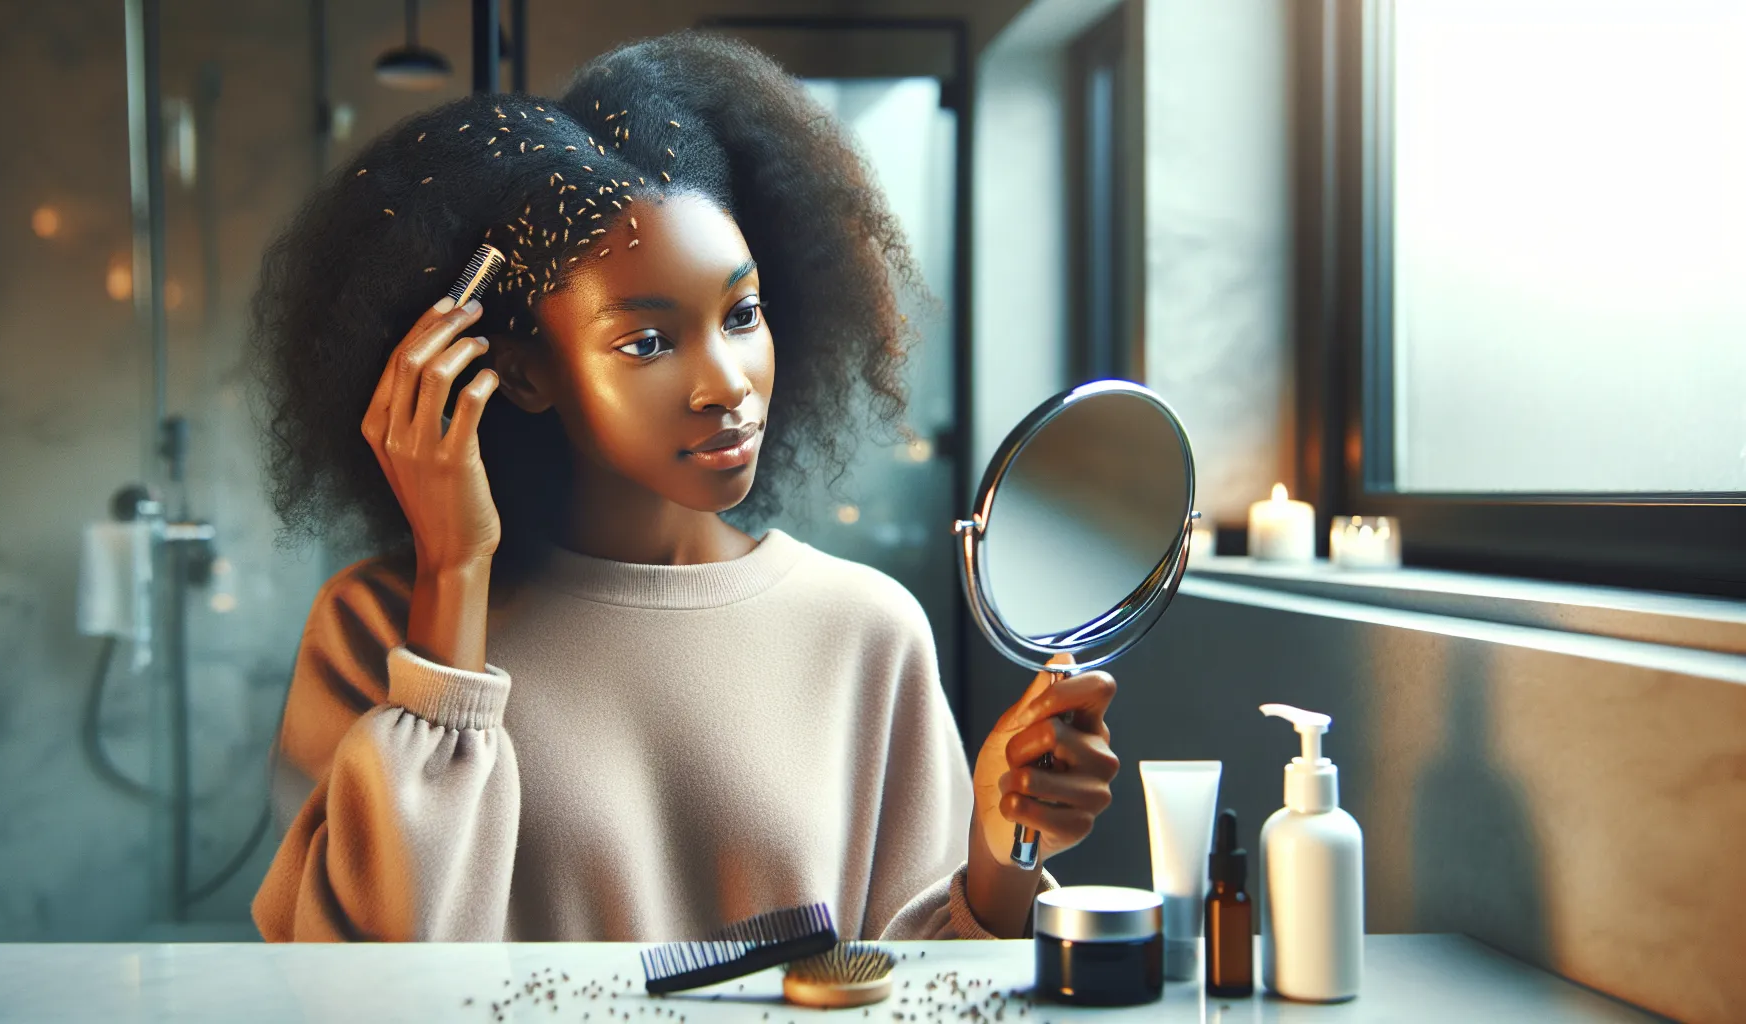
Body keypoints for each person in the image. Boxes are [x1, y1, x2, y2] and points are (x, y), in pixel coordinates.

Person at [248, 31, 1120, 943]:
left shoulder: (866, 630)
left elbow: (913, 992)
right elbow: (358, 981)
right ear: (522, 374)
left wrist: (1003, 852)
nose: (728, 384)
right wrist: (454, 576)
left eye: (742, 316)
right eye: (649, 342)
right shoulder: (377, 632)